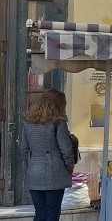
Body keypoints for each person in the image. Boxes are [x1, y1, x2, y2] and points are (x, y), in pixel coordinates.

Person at [20, 88, 76, 221]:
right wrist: (70, 167)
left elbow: (23, 149)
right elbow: (66, 149)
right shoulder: (58, 122)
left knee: (40, 213)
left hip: (34, 172)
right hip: (55, 172)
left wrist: (30, 166)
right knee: (52, 213)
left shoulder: (28, 122)